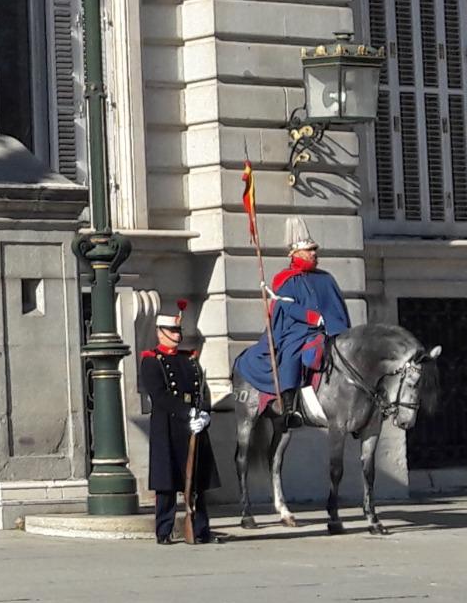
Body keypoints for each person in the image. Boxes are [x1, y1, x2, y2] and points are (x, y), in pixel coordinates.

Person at [232, 217, 351, 425]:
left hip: (330, 329)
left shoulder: (326, 278)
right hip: (297, 329)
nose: (314, 254)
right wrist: (312, 318)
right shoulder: (285, 279)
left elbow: (337, 306)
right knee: (293, 351)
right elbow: (285, 307)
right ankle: (289, 407)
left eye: (315, 250)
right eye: (309, 250)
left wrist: (336, 325)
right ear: (296, 253)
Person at [139, 300, 217, 545]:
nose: (177, 335)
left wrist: (204, 413)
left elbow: (202, 391)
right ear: (160, 333)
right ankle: (164, 529)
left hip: (193, 425)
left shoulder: (190, 359)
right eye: (172, 331)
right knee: (167, 482)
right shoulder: (151, 360)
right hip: (168, 425)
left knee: (196, 482)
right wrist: (187, 413)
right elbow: (159, 395)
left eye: (178, 331)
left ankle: (201, 529)